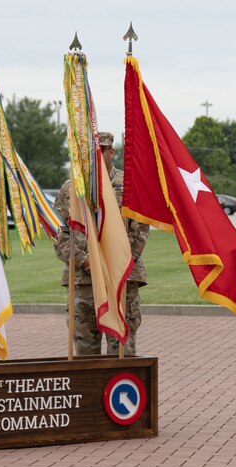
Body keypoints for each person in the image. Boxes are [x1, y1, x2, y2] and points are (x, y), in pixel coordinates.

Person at [53, 132, 149, 356]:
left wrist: (113, 264)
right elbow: (59, 233)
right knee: (85, 351)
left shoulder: (128, 186)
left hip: (121, 279)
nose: (93, 159)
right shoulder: (71, 189)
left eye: (99, 152)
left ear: (111, 152)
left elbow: (140, 230)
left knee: (122, 351)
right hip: (83, 280)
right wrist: (85, 261)